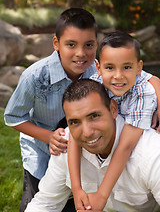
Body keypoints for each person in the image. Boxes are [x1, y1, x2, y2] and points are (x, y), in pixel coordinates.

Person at [4, 8, 98, 212]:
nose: (81, 53)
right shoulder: (35, 76)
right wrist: (47, 136)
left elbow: (136, 74)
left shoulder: (98, 71)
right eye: (71, 45)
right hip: (40, 153)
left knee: (74, 203)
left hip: (80, 156)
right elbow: (12, 116)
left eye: (89, 45)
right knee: (40, 203)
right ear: (56, 43)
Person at [25, 79, 160, 212]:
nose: (87, 133)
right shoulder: (65, 144)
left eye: (94, 116)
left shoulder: (151, 153)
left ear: (113, 110)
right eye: (74, 122)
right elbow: (45, 204)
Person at [68, 31, 160, 211]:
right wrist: (77, 188)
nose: (118, 76)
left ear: (139, 67)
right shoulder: (94, 84)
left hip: (141, 150)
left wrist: (102, 195)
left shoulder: (143, 93)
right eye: (110, 68)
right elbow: (73, 138)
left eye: (126, 67)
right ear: (99, 68)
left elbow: (126, 146)